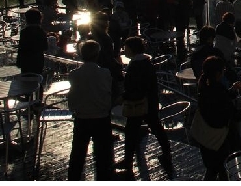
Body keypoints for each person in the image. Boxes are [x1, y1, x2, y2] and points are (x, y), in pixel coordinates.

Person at [116, 37, 174, 179]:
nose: (124, 50)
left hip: (138, 104)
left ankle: (128, 161)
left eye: (126, 48)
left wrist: (123, 97)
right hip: (150, 102)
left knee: (131, 131)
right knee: (156, 128)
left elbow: (134, 88)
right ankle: (167, 152)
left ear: (132, 49)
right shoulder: (146, 63)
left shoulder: (136, 66)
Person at [196, 56, 241, 180]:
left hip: (206, 140)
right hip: (220, 142)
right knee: (225, 172)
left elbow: (219, 101)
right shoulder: (218, 93)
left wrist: (232, 91)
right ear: (218, 73)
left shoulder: (204, 88)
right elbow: (236, 115)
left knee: (212, 171)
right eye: (223, 70)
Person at [68, 40, 113, 180]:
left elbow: (73, 97)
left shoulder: (74, 74)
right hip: (101, 117)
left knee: (78, 154)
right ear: (97, 55)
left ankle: (73, 178)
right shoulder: (105, 73)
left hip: (82, 117)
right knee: (103, 155)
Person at [16, 8, 47, 75]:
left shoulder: (24, 32)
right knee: (37, 80)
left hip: (25, 61)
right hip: (37, 61)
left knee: (26, 80)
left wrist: (19, 61)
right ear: (39, 19)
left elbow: (21, 48)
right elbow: (45, 47)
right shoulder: (41, 32)